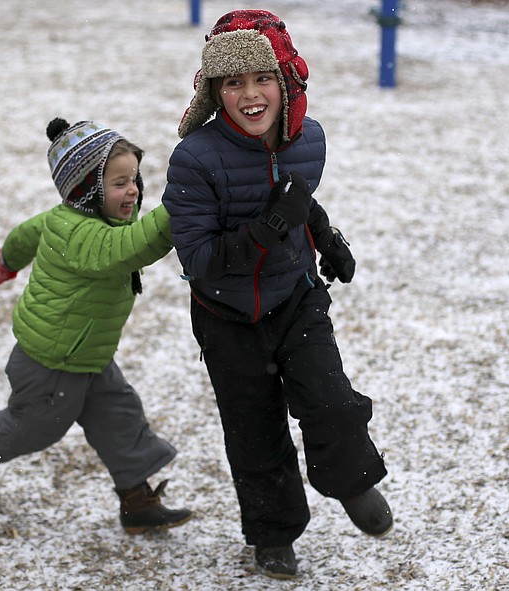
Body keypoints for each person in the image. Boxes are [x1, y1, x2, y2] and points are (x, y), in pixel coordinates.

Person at [161, 10, 392, 579]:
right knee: (254, 428)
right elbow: (199, 260)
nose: (250, 94)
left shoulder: (306, 139)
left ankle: (351, 481)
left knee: (331, 399)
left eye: (262, 78)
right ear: (215, 91)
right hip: (227, 314)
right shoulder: (194, 158)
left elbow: (297, 197)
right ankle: (273, 531)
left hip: (296, 295)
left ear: (284, 82)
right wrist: (266, 227)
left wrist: (325, 237)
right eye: (233, 83)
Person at [0, 118, 192, 534]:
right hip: (50, 360)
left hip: (88, 353)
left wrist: (6, 259)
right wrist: (182, 203)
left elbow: (28, 233)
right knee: (33, 429)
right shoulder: (82, 233)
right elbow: (130, 249)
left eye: (133, 179)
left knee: (120, 416)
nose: (132, 190)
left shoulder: (70, 219)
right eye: (118, 183)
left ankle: (137, 501)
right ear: (86, 191)